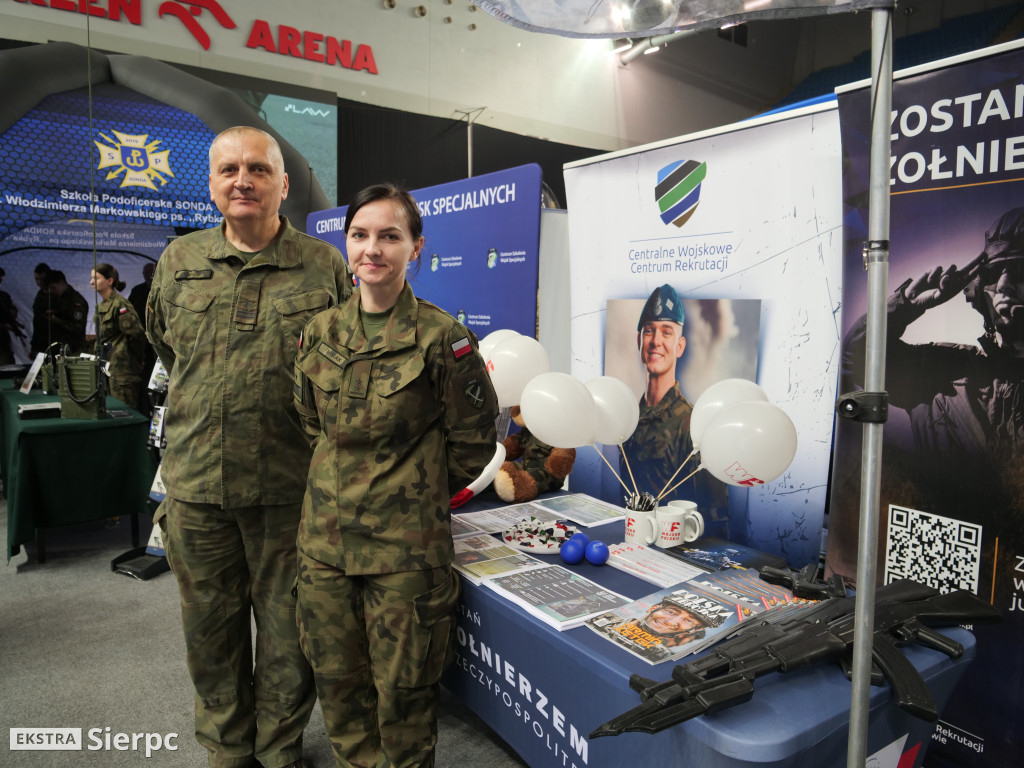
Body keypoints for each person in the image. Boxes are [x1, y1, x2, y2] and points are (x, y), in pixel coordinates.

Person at [146, 125, 354, 768]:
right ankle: (227, 746)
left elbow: (342, 367)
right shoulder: (179, 262)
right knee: (210, 630)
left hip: (288, 491)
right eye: (229, 169)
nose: (243, 180)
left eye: (258, 170)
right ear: (211, 184)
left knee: (291, 634)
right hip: (196, 488)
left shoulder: (323, 266)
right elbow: (165, 348)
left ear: (283, 184)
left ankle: (278, 746)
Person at [293, 183, 499, 768]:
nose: (373, 248)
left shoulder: (444, 339)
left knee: (404, 699)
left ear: (417, 248)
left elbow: (472, 443)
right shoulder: (320, 333)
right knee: (338, 686)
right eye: (360, 235)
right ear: (346, 243)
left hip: (405, 555)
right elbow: (311, 423)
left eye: (390, 236)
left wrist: (409, 494)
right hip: (325, 549)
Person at [836, 205, 1024, 567]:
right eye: (995, 272)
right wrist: (905, 306)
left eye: (1018, 270)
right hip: (937, 565)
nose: (1003, 286)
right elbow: (855, 357)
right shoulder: (943, 371)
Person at [619, 284, 729, 531]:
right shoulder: (628, 418)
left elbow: (715, 518)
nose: (656, 341)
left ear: (680, 346)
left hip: (673, 551)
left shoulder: (693, 424)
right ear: (639, 341)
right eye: (649, 331)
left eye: (667, 332)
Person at [89, 263, 146, 409]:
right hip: (106, 369)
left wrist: (137, 360)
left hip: (122, 371)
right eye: (91, 278)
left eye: (96, 278)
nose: (92, 282)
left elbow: (136, 335)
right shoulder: (101, 306)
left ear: (110, 281)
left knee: (124, 411)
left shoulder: (120, 305)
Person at [41, 269, 88, 355]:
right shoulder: (59, 298)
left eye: (53, 287)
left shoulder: (76, 301)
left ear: (61, 283)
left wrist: (56, 319)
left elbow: (77, 327)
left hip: (73, 349)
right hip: (60, 348)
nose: (52, 291)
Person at [0, 267, 26, 365]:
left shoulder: (3, 297)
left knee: (7, 368)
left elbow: (9, 312)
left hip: (3, 344)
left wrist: (13, 318)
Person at [29, 262, 51, 356]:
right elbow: (37, 321)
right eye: (37, 279)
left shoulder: (55, 294)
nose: (39, 282)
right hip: (42, 341)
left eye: (42, 279)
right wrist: (34, 346)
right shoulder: (40, 294)